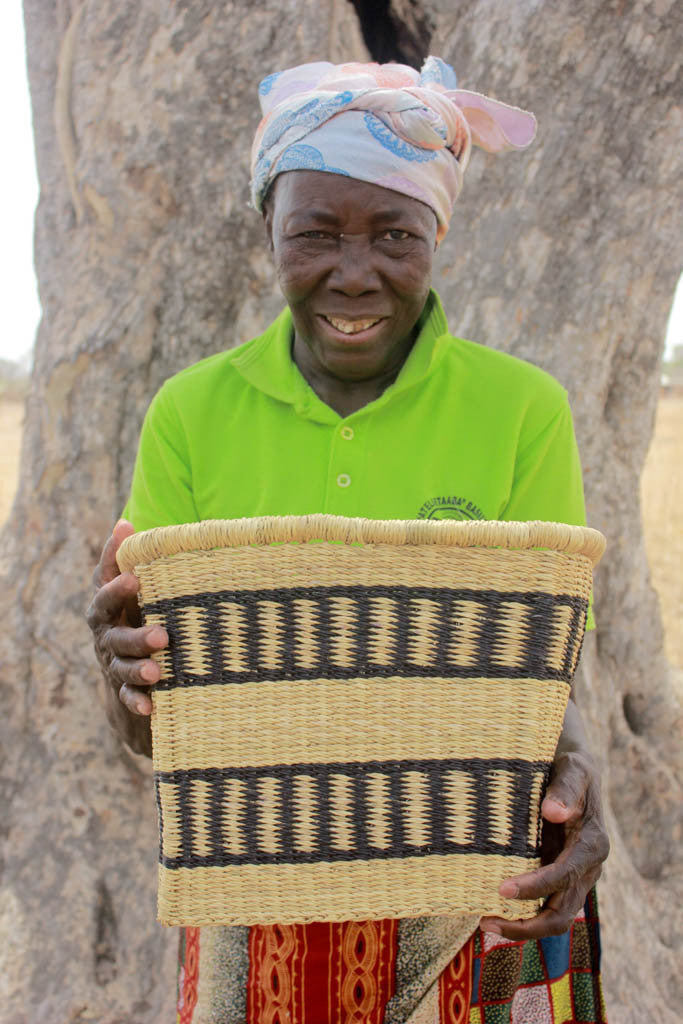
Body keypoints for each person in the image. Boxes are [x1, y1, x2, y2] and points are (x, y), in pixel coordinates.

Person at [87, 57, 609, 1023]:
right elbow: (161, 731)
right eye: (314, 234)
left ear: (439, 233)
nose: (354, 273)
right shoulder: (191, 414)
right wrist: (121, 673)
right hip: (253, 904)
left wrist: (579, 785)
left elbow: (545, 675)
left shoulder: (522, 410)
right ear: (267, 234)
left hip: (474, 895)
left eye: (396, 236)